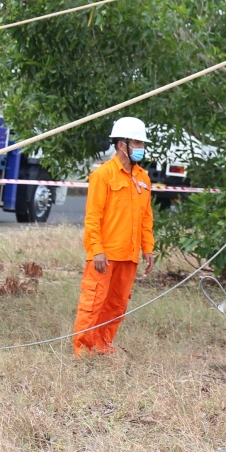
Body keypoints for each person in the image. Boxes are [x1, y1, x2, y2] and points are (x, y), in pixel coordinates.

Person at [74, 116, 155, 355]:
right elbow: (93, 218)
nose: (141, 148)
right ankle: (82, 349)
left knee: (117, 304)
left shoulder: (143, 177)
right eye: (137, 143)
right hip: (104, 255)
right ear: (122, 145)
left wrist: (147, 248)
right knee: (93, 303)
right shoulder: (103, 175)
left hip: (128, 256)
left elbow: (146, 217)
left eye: (142, 144)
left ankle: (102, 346)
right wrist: (96, 250)